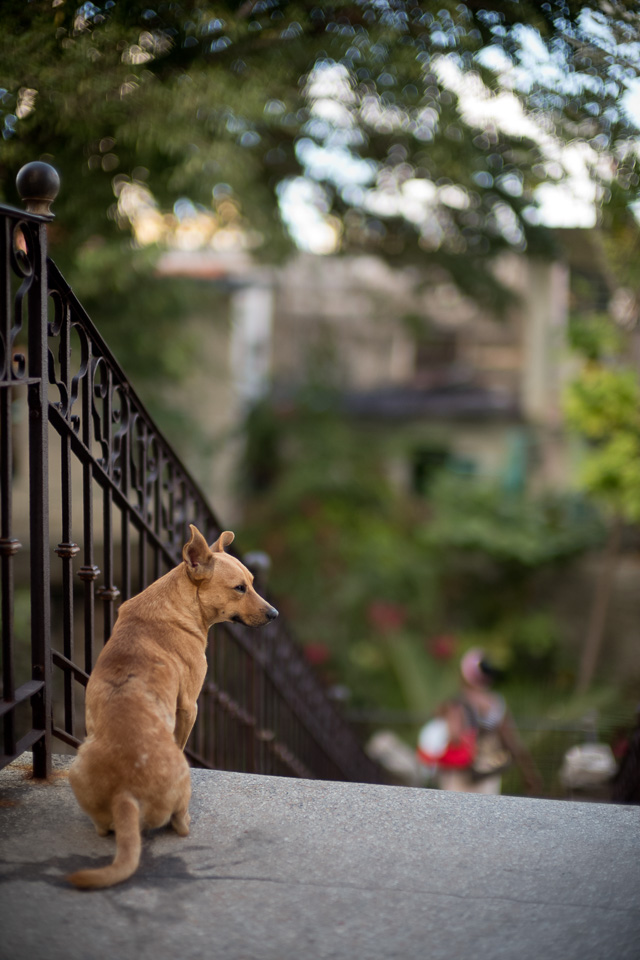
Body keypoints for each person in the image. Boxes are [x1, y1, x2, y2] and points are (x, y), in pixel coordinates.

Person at [434, 648, 543, 796]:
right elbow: (511, 741)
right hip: (487, 773)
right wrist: (529, 772)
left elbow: (453, 736)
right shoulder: (497, 704)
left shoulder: (457, 703)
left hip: (459, 774)